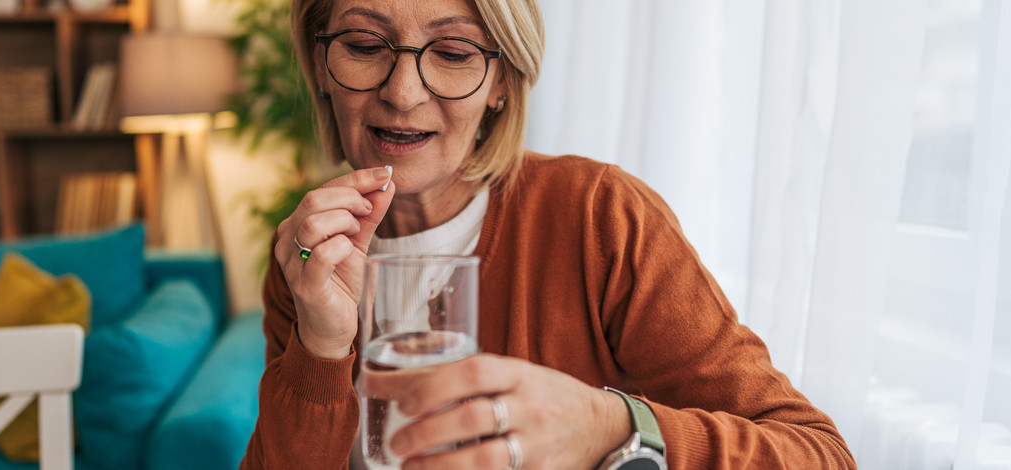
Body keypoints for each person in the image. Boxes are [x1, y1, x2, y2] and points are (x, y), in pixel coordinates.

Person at [240, 0, 857, 468]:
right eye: (364, 44)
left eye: (454, 53)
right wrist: (320, 347)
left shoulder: (598, 217)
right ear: (322, 64)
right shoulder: (308, 254)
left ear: (503, 82)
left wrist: (610, 424)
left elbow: (818, 453)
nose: (402, 93)